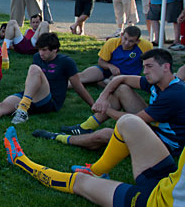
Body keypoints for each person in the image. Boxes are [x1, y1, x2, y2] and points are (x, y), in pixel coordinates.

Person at [4, 115, 185, 207]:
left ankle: (19, 159)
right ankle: (96, 171)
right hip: (171, 184)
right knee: (129, 123)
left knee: (79, 182)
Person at [37, 49, 185, 155]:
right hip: (155, 128)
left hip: (166, 145)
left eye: (149, 67)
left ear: (166, 67)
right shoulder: (159, 81)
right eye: (144, 66)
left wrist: (106, 109)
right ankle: (86, 127)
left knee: (104, 135)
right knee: (122, 89)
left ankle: (58, 137)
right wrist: (102, 97)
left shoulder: (173, 94)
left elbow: (133, 120)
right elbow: (121, 78)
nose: (145, 71)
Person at [0, 33, 93, 126]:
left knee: (34, 69)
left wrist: (93, 104)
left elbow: (77, 85)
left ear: (55, 49)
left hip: (49, 100)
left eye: (44, 50)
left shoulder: (66, 62)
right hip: (30, 95)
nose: (40, 53)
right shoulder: (38, 57)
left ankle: (22, 109)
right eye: (39, 49)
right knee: (1, 106)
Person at [69, 26, 152, 88]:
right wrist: (110, 66)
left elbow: (151, 64)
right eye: (125, 39)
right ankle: (60, 83)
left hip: (127, 76)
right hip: (107, 70)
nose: (126, 43)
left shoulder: (145, 46)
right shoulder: (112, 42)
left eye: (131, 41)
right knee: (82, 77)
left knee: (119, 85)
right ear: (122, 35)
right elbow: (101, 61)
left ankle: (103, 82)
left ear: (138, 41)